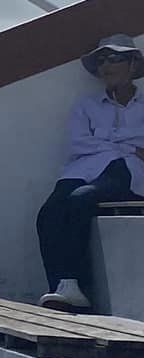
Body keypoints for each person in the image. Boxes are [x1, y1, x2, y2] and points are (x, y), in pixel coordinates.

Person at [37, 35, 144, 310]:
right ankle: (60, 287)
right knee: (48, 213)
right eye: (101, 60)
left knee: (81, 199)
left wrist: (109, 144)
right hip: (84, 169)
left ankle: (78, 286)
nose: (106, 65)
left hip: (125, 173)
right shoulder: (87, 105)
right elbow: (77, 142)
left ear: (133, 64)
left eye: (114, 58)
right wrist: (129, 144)